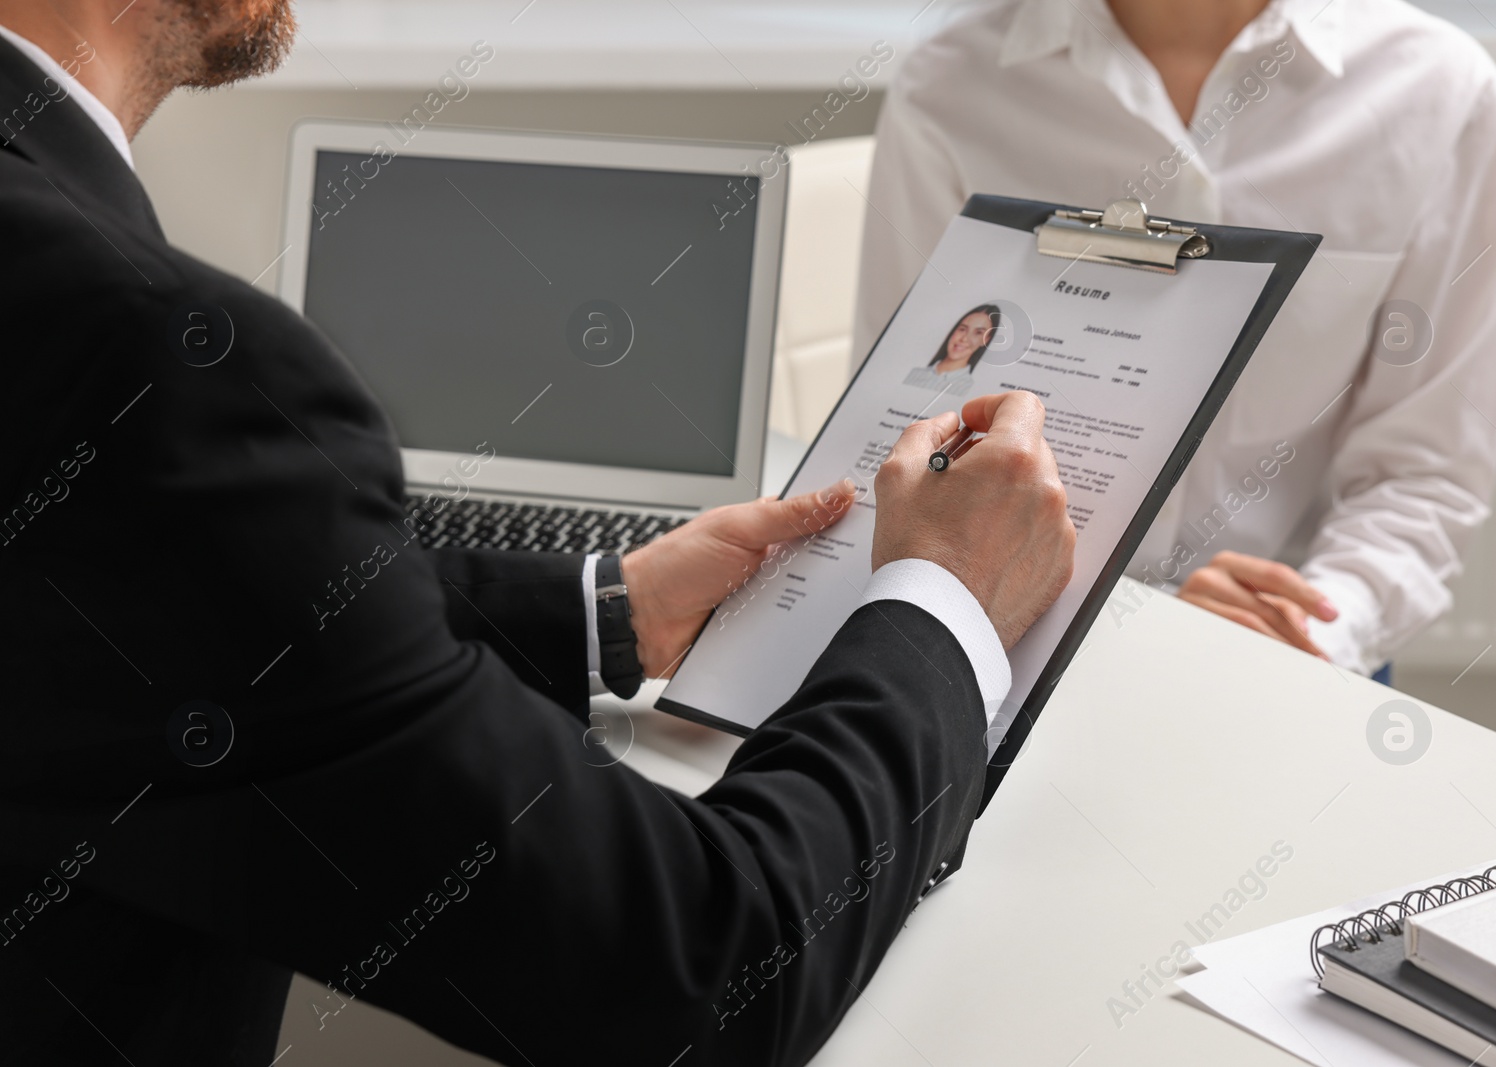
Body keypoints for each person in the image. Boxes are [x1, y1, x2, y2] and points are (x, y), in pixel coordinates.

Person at [0, 1, 1077, 1064]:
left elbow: (126, 615)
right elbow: (700, 969)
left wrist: (606, 605)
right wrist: (944, 593)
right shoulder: (142, 360)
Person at [855, 0, 1496, 675]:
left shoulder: (1440, 91)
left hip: (1293, 649)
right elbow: (903, 436)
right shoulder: (947, 86)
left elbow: (1423, 471)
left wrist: (1308, 629)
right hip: (1004, 649)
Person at [901, 303, 999, 396]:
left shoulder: (969, 388)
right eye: (962, 329)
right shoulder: (914, 373)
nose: (964, 339)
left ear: (986, 340)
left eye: (978, 333)